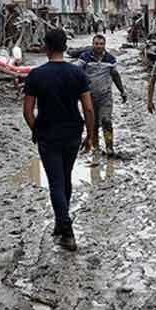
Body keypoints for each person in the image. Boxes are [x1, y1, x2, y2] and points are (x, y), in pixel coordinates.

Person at [23, 28, 96, 251]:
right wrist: (90, 136)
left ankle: (66, 230)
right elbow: (89, 109)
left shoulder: (36, 75)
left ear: (46, 47)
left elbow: (27, 112)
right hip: (73, 133)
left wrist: (38, 130)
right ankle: (60, 222)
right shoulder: (78, 74)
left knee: (55, 182)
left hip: (48, 135)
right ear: (65, 47)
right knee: (65, 178)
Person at [77, 34, 127, 161]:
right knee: (93, 124)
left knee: (106, 120)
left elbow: (115, 76)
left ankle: (109, 147)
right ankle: (95, 148)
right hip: (89, 97)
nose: (99, 46)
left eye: (101, 44)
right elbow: (76, 72)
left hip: (105, 96)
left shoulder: (110, 59)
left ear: (104, 45)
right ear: (93, 44)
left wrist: (122, 91)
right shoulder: (85, 57)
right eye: (96, 44)